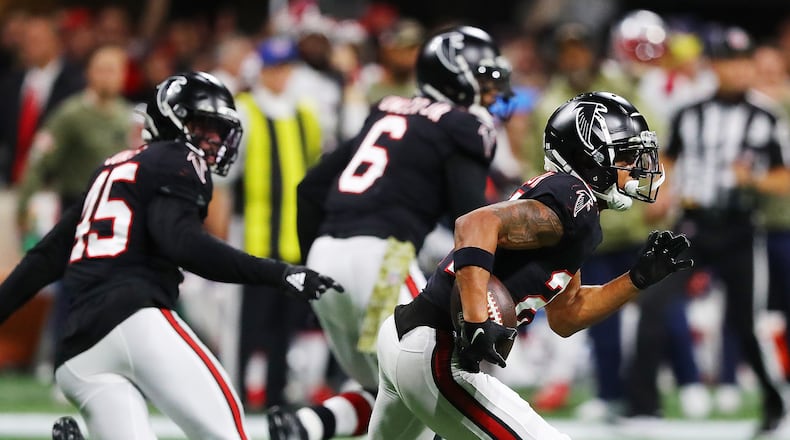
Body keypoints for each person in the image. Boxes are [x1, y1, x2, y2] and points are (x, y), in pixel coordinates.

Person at [0, 71, 341, 440]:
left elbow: (45, 258)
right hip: (135, 321)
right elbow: (184, 245)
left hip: (78, 351)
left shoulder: (111, 168)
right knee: (228, 435)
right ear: (171, 120)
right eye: (202, 127)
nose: (213, 140)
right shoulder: (179, 159)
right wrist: (280, 274)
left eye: (218, 130)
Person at [367, 91, 694, 439]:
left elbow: (567, 315)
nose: (636, 167)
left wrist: (636, 279)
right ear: (590, 157)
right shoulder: (574, 199)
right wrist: (476, 321)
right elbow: (475, 224)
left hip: (410, 336)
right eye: (626, 156)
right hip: (437, 347)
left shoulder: (577, 208)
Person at [267, 25, 512, 440]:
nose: (492, 92)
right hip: (385, 260)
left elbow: (309, 189)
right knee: (426, 385)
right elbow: (473, 219)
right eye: (484, 79)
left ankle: (306, 426)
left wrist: (311, 268)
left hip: (325, 256)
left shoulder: (387, 110)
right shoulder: (463, 125)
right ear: (456, 77)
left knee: (387, 387)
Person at [646, 25, 790, 435]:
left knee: (747, 322)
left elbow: (784, 177)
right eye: (729, 61)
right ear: (714, 66)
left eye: (743, 62)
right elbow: (668, 159)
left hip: (740, 229)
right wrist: (662, 193)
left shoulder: (766, 116)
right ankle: (641, 404)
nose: (737, 70)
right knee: (654, 302)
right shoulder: (689, 113)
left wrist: (753, 180)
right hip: (692, 225)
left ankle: (774, 403)